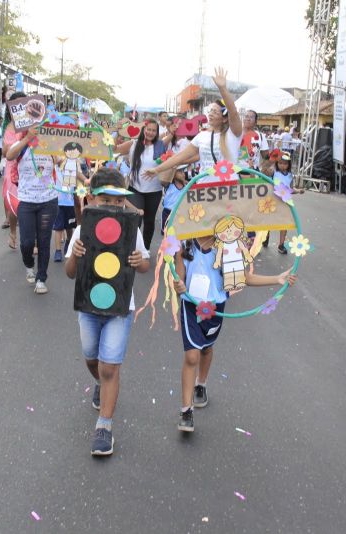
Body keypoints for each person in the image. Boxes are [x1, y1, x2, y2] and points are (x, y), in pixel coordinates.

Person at [172, 223, 296, 432]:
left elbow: (244, 278)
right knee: (191, 355)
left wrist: (276, 279)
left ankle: (201, 384)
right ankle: (186, 410)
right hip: (191, 305)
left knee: (207, 348)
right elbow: (178, 277)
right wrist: (179, 285)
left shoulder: (228, 247)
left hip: (215, 307)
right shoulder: (185, 243)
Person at [64, 168, 151, 455]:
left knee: (110, 366)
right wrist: (75, 255)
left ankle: (104, 427)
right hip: (89, 305)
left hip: (119, 307)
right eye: (106, 200)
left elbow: (144, 266)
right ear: (91, 198)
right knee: (92, 360)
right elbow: (69, 273)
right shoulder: (82, 229)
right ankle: (100, 383)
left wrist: (139, 261)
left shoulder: (131, 229)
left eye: (118, 201)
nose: (113, 206)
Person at [146, 67, 242, 187]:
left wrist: (222, 88)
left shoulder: (233, 134)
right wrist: (157, 170)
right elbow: (180, 156)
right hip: (204, 189)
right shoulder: (202, 136)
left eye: (216, 112)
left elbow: (233, 112)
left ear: (224, 118)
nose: (211, 114)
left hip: (228, 189)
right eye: (210, 111)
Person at [5, 124, 58, 294]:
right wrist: (27, 138)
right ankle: (29, 264)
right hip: (26, 201)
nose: (38, 129)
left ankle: (41, 278)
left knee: (43, 241)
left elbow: (61, 160)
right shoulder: (21, 145)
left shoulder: (51, 144)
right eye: (34, 126)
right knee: (27, 242)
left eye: (41, 126)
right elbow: (9, 155)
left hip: (48, 200)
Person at [113, 118, 164, 249]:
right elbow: (114, 149)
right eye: (149, 129)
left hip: (154, 191)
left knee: (149, 221)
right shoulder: (133, 144)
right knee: (135, 218)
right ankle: (130, 248)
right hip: (135, 189)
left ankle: (145, 248)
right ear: (143, 129)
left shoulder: (160, 145)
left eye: (154, 130)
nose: (151, 133)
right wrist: (116, 132)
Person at [1, 91, 25, 249]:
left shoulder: (33, 125)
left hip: (30, 168)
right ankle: (13, 232)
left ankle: (32, 239)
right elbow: (5, 152)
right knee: (13, 205)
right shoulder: (9, 126)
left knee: (29, 204)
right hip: (12, 170)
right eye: (16, 105)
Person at [53, 143, 84, 262]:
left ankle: (68, 242)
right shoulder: (55, 165)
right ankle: (57, 251)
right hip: (58, 201)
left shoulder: (74, 163)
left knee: (69, 227)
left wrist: (86, 180)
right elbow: (55, 158)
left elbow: (79, 176)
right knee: (58, 227)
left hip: (70, 201)